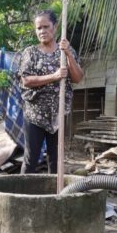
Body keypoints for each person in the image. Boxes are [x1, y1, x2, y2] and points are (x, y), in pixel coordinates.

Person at [18, 9, 84, 174]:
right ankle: (22, 196)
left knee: (56, 159)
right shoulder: (30, 53)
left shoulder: (65, 52)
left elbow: (77, 78)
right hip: (35, 115)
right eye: (38, 28)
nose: (42, 31)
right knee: (31, 158)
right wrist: (54, 76)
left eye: (46, 27)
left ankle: (54, 196)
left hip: (58, 114)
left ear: (55, 27)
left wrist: (68, 54)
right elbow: (26, 80)